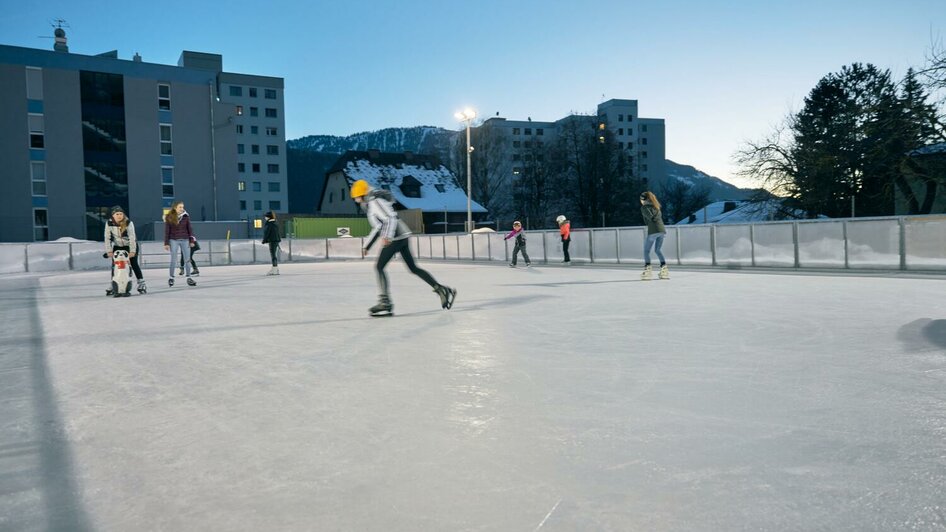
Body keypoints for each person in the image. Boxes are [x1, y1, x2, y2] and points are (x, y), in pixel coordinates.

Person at [350, 179, 456, 316]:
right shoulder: (371, 203)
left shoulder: (374, 202)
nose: (356, 200)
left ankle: (385, 302)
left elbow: (390, 219)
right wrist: (367, 245)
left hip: (396, 236)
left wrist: (387, 236)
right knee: (413, 268)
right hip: (401, 235)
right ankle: (441, 289)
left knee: (379, 267)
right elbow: (378, 227)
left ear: (363, 194)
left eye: (357, 197)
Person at [104, 205, 146, 295]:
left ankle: (141, 283)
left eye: (121, 214)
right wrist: (109, 251)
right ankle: (114, 283)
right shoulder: (109, 223)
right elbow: (107, 238)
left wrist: (132, 251)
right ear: (113, 215)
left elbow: (132, 237)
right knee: (115, 265)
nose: (119, 216)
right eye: (117, 214)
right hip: (118, 246)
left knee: (133, 263)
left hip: (129, 245)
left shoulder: (128, 223)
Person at [163, 200, 196, 287]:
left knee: (187, 259)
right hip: (173, 240)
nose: (182, 208)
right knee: (173, 259)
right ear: (175, 208)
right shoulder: (169, 217)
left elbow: (190, 229)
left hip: (185, 240)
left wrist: (192, 241)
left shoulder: (186, 216)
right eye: (180, 207)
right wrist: (166, 243)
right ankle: (171, 278)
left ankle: (188, 278)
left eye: (182, 207)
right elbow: (167, 231)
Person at [640, 191, 669, 280]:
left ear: (644, 199)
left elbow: (650, 218)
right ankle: (664, 270)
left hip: (653, 231)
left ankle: (648, 270)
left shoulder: (644, 208)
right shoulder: (657, 206)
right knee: (657, 250)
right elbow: (656, 217)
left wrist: (645, 216)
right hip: (662, 230)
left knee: (646, 251)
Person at [261, 211, 281, 275]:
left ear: (268, 217)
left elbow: (267, 232)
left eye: (266, 216)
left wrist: (264, 240)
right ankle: (275, 268)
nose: (265, 218)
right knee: (274, 255)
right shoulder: (275, 222)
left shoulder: (269, 224)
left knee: (273, 255)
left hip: (272, 241)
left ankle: (274, 269)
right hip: (276, 240)